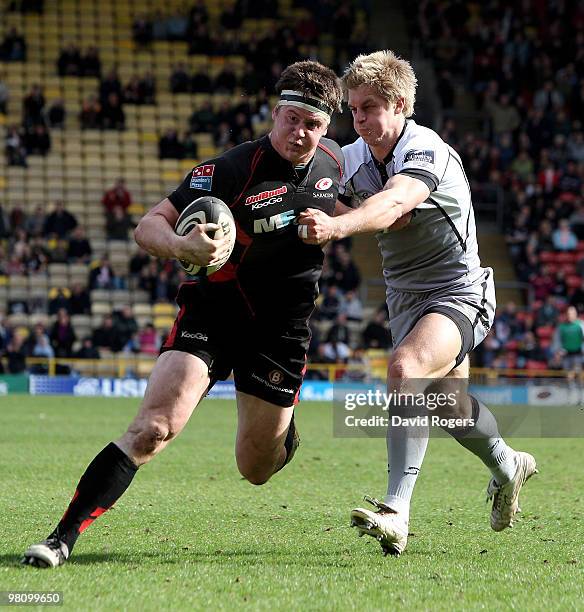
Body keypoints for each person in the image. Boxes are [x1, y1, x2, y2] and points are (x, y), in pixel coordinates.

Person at [22, 60, 345, 568]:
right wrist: (180, 246)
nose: (299, 132)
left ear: (326, 128)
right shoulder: (230, 169)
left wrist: (339, 227)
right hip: (213, 313)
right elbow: (148, 224)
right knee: (153, 427)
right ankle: (60, 538)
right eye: (291, 118)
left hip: (282, 329)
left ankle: (285, 437)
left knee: (256, 468)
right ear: (274, 113)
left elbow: (362, 209)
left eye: (312, 124)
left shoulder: (338, 165)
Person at [298, 50, 537, 556]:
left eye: (369, 108)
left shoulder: (426, 148)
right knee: (447, 406)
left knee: (405, 369)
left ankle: (396, 512)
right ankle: (508, 464)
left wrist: (342, 223)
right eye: (353, 110)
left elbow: (396, 201)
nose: (359, 120)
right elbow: (324, 193)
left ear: (400, 104)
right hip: (406, 301)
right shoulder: (354, 154)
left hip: (460, 290)